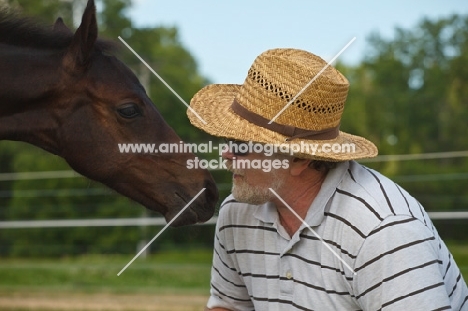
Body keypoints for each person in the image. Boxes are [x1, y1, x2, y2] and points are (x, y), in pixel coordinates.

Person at [187, 48, 468, 310]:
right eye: (227, 140)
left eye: (241, 145)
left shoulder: (383, 230)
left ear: (298, 158)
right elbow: (228, 306)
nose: (226, 154)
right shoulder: (237, 211)